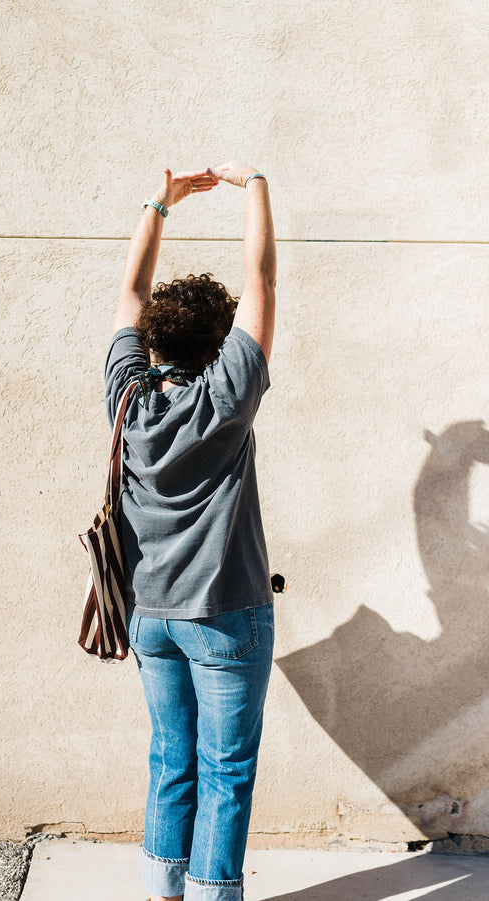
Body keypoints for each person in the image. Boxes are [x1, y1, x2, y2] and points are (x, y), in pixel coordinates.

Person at [105, 160, 276, 901]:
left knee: (171, 756)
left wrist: (160, 203)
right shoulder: (230, 393)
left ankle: (161, 891)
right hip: (225, 616)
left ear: (152, 342)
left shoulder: (127, 395)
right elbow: (263, 280)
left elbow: (129, 292)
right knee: (226, 769)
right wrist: (257, 184)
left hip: (151, 618)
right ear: (218, 343)